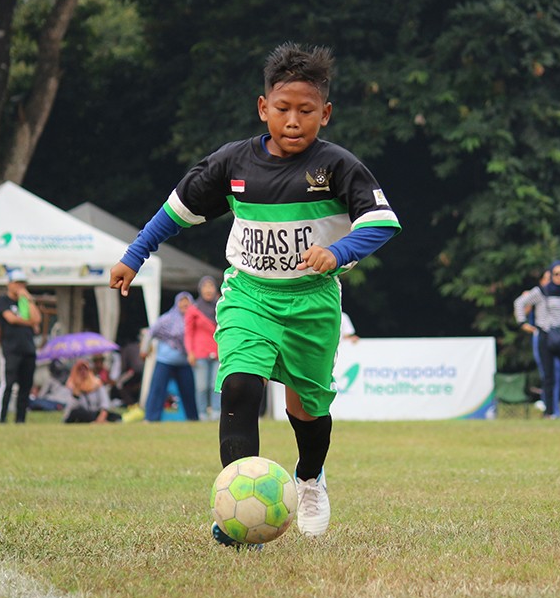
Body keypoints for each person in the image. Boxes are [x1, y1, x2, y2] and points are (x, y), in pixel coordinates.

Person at [110, 43, 401, 544]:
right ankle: (235, 514)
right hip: (250, 296)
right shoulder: (234, 163)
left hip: (312, 303)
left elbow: (383, 221)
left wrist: (339, 251)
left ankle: (309, 479)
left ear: (325, 114)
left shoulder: (337, 167)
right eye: (282, 109)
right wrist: (135, 254)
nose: (293, 120)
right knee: (241, 386)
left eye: (306, 111)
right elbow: (178, 209)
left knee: (306, 410)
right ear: (263, 108)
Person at [514, 260, 560, 420]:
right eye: (556, 273)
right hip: (546, 336)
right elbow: (519, 302)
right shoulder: (541, 292)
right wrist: (523, 323)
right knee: (549, 377)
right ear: (550, 274)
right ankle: (549, 412)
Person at [144, 292, 198, 422]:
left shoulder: (196, 318)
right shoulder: (167, 318)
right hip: (165, 360)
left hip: (185, 362)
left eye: (187, 301)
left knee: (189, 391)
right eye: (181, 301)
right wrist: (144, 349)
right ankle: (151, 418)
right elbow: (150, 332)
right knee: (157, 390)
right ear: (176, 303)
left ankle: (193, 418)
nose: (184, 304)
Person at [0, 270, 41, 424]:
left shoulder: (24, 302)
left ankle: (20, 419)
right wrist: (29, 323)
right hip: (11, 349)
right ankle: (1, 418)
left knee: (25, 386)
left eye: (23, 283)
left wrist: (28, 299)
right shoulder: (3, 301)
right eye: (17, 283)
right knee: (8, 384)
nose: (20, 286)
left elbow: (37, 319)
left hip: (28, 348)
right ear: (9, 284)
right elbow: (11, 319)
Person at [186, 276, 220, 421]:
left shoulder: (221, 306)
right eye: (205, 286)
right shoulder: (194, 309)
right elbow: (188, 332)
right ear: (200, 289)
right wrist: (190, 352)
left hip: (218, 352)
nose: (208, 290)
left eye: (211, 286)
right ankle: (202, 415)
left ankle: (216, 413)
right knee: (201, 386)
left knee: (216, 385)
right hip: (199, 353)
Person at [63, 359, 122, 423]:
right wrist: (76, 394)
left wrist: (101, 417)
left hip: (96, 413)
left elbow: (105, 403)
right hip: (84, 414)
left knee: (116, 417)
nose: (83, 372)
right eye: (80, 370)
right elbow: (70, 409)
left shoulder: (97, 383)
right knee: (77, 413)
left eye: (85, 369)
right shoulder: (73, 384)